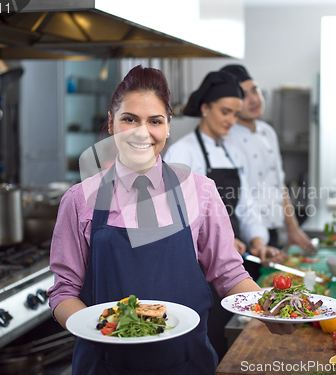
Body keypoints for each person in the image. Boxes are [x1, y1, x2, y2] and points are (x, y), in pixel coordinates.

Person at [47, 65, 299, 375]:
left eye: (154, 121)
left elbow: (228, 273)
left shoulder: (201, 191)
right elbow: (64, 292)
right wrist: (101, 330)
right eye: (129, 119)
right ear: (111, 123)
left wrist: (268, 310)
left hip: (186, 363)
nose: (143, 132)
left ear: (168, 127)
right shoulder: (78, 200)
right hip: (104, 364)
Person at [165, 69, 287, 361]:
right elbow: (174, 220)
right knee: (205, 338)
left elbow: (244, 205)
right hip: (195, 267)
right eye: (224, 112)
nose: (231, 120)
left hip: (229, 264)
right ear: (205, 108)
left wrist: (258, 240)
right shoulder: (183, 153)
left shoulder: (232, 150)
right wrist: (218, 241)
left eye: (234, 113)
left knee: (230, 337)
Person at [220, 64, 316, 253]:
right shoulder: (225, 138)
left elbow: (279, 184)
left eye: (254, 90)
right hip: (242, 237)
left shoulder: (268, 132)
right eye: (244, 95)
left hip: (272, 233)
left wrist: (293, 228)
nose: (254, 99)